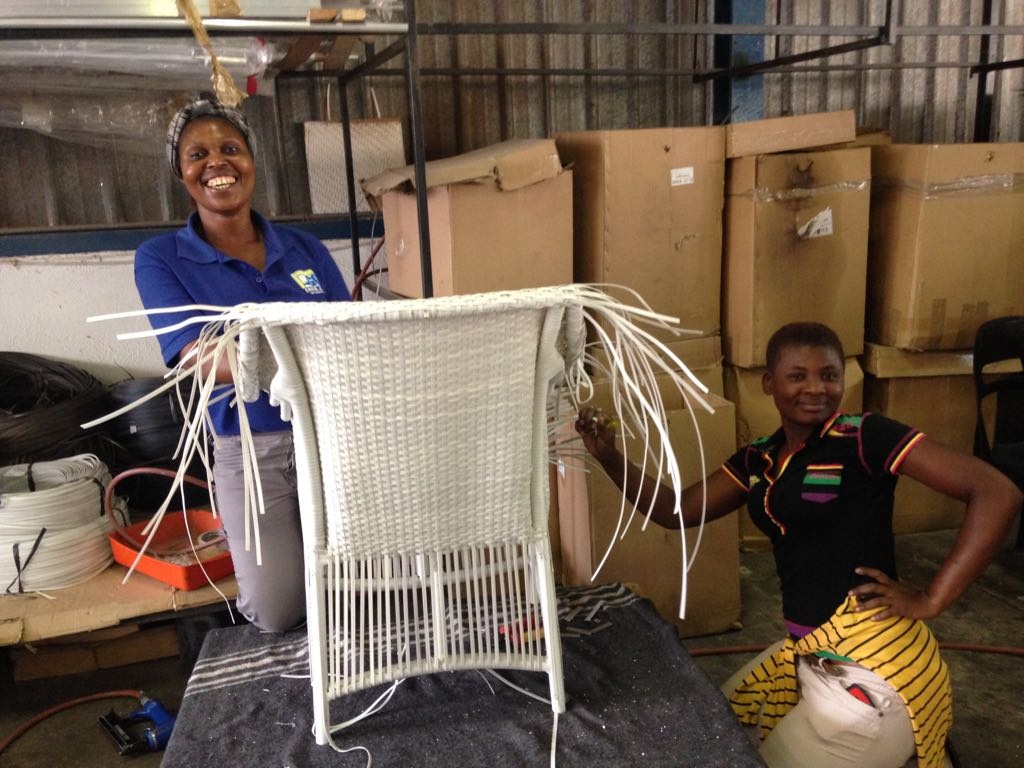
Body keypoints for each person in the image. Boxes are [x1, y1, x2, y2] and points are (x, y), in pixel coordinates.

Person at [576, 322, 1021, 768]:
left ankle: (895, 740)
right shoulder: (760, 458)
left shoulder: (863, 437)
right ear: (770, 382)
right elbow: (676, 511)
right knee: (709, 732)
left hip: (871, 669)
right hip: (815, 652)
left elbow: (996, 492)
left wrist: (932, 597)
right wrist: (609, 456)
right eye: (798, 375)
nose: (816, 388)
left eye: (829, 375)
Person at [134, 97, 351, 632]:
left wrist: (264, 355)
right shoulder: (162, 258)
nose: (217, 163)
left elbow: (351, 336)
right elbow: (202, 359)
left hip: (332, 439)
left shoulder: (304, 249)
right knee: (277, 612)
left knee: (358, 591)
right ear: (180, 173)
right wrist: (308, 358)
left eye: (230, 148)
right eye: (198, 154)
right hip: (253, 451)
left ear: (252, 161)